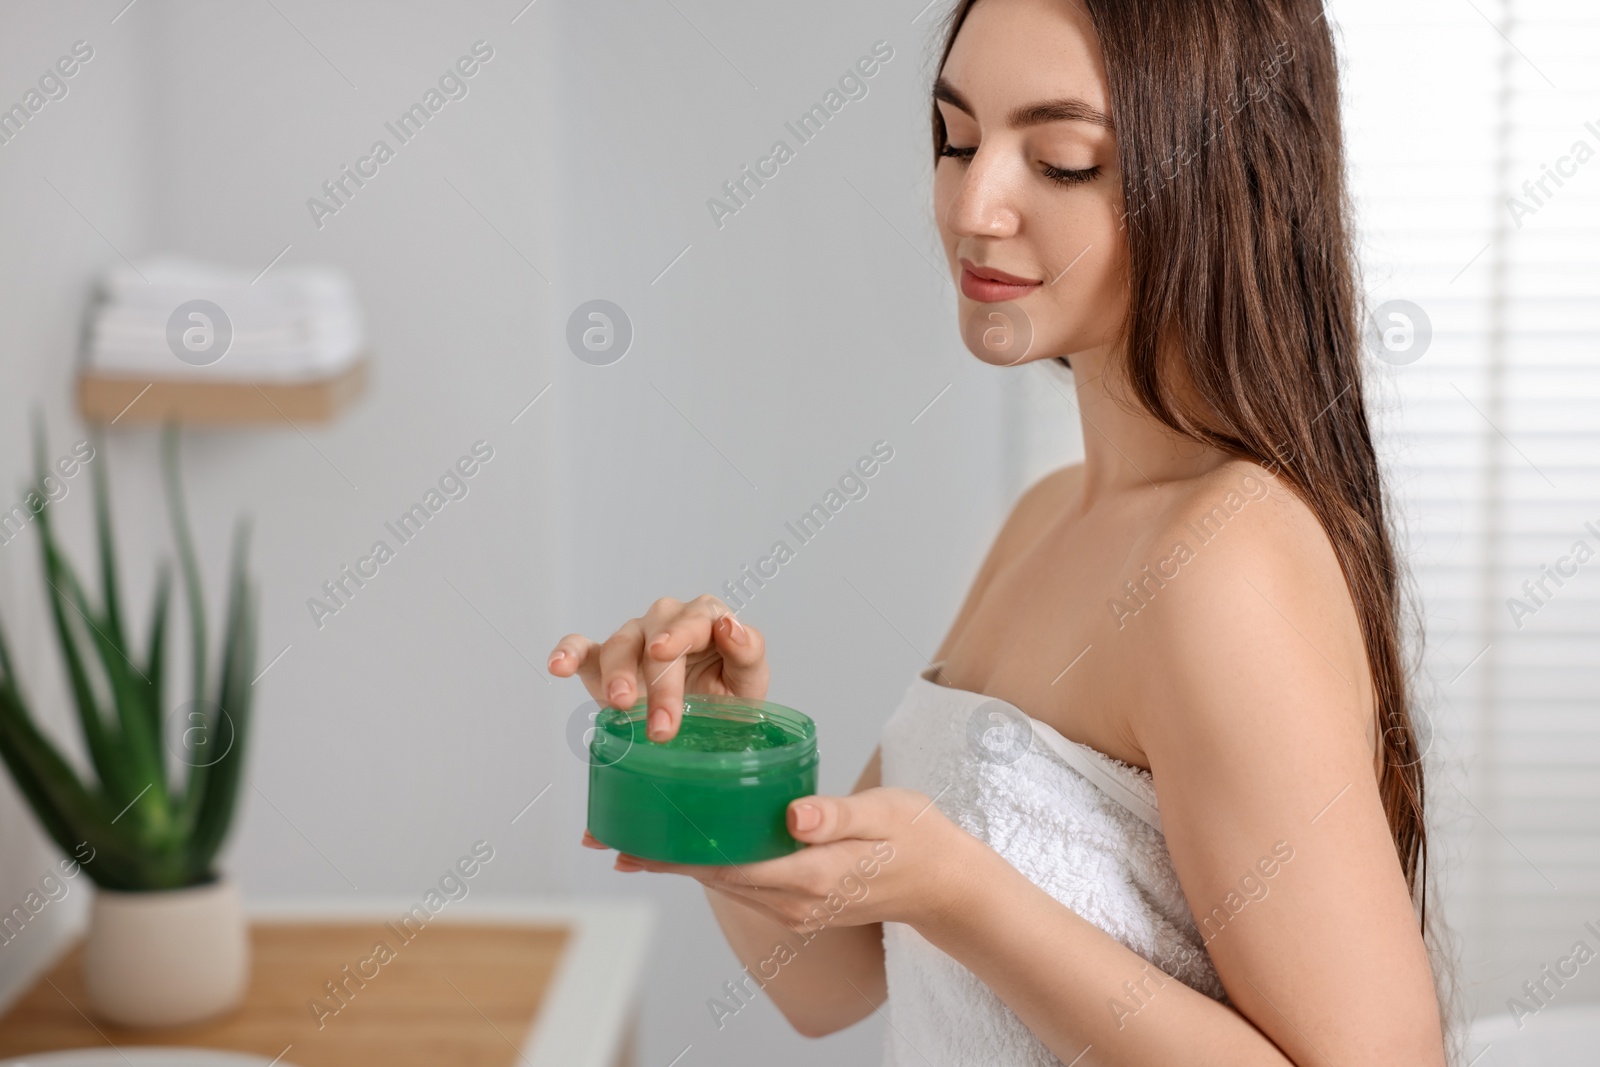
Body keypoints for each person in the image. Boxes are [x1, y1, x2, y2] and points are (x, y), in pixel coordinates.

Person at [549, 0, 1451, 1062]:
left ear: (1226, 177)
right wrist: (710, 763)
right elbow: (835, 982)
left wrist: (964, 892)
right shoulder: (1046, 516)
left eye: (1063, 160)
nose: (973, 205)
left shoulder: (1226, 563)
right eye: (957, 139)